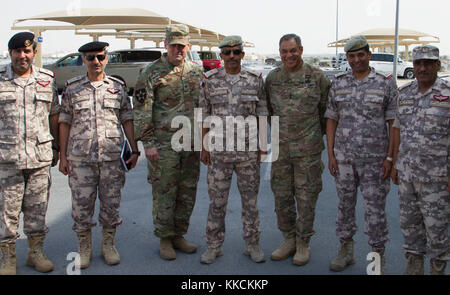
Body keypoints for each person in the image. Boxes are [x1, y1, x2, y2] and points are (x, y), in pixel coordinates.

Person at [59, 41, 138, 269]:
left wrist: (133, 149)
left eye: (100, 57)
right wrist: (63, 157)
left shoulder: (117, 87)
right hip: (80, 159)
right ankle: (84, 247)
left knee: (111, 204)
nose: (96, 61)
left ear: (106, 58)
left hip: (112, 158)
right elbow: (64, 122)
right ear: (83, 59)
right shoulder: (73, 88)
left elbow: (127, 118)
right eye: (91, 57)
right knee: (81, 205)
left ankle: (108, 244)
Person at [325, 35, 397, 274]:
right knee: (345, 207)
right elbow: (332, 119)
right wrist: (332, 155)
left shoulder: (385, 83)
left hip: (375, 161)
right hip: (344, 159)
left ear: (369, 54)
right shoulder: (339, 83)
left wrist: (390, 158)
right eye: (352, 56)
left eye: (360, 55)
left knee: (375, 211)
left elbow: (392, 123)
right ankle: (346, 251)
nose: (356, 60)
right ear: (347, 58)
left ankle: (376, 259)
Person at [133, 24, 203, 260]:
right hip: (164, 145)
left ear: (188, 46)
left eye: (182, 46)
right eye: (173, 45)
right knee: (165, 191)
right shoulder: (151, 72)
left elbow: (203, 107)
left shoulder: (195, 71)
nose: (178, 50)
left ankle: (179, 235)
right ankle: (164, 238)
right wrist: (148, 143)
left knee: (187, 191)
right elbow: (142, 110)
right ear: (165, 45)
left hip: (190, 145)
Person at [199, 35, 269, 264]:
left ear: (242, 54)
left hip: (248, 153)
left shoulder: (255, 80)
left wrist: (262, 147)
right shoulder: (209, 81)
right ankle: (213, 245)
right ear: (221, 56)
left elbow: (262, 114)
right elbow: (203, 116)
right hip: (219, 153)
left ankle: (252, 244)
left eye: (235, 52)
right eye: (226, 53)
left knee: (250, 202)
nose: (231, 56)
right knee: (217, 202)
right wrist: (204, 147)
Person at [265, 34, 330, 265]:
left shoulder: (317, 77)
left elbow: (326, 112)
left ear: (301, 50)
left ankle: (303, 243)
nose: (288, 55)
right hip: (281, 149)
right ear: (280, 52)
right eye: (284, 51)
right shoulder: (272, 78)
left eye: (293, 50)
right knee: (281, 197)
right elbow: (270, 111)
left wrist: (310, 135)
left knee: (306, 198)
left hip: (308, 150)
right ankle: (289, 239)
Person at [0, 32, 60, 275]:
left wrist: (56, 147)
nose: (22, 56)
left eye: (27, 51)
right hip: (7, 159)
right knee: (7, 212)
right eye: (17, 51)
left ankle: (36, 252)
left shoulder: (47, 80)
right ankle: (7, 256)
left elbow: (54, 115)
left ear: (34, 53)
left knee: (38, 209)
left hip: (39, 157)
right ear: (10, 53)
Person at [391, 45, 449, 275]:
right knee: (410, 226)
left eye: (428, 63)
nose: (422, 68)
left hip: (437, 178)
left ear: (437, 65)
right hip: (407, 175)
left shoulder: (447, 95)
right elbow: (397, 129)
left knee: (437, 229)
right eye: (418, 63)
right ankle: (413, 266)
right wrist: (394, 162)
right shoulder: (404, 94)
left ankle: (437, 268)